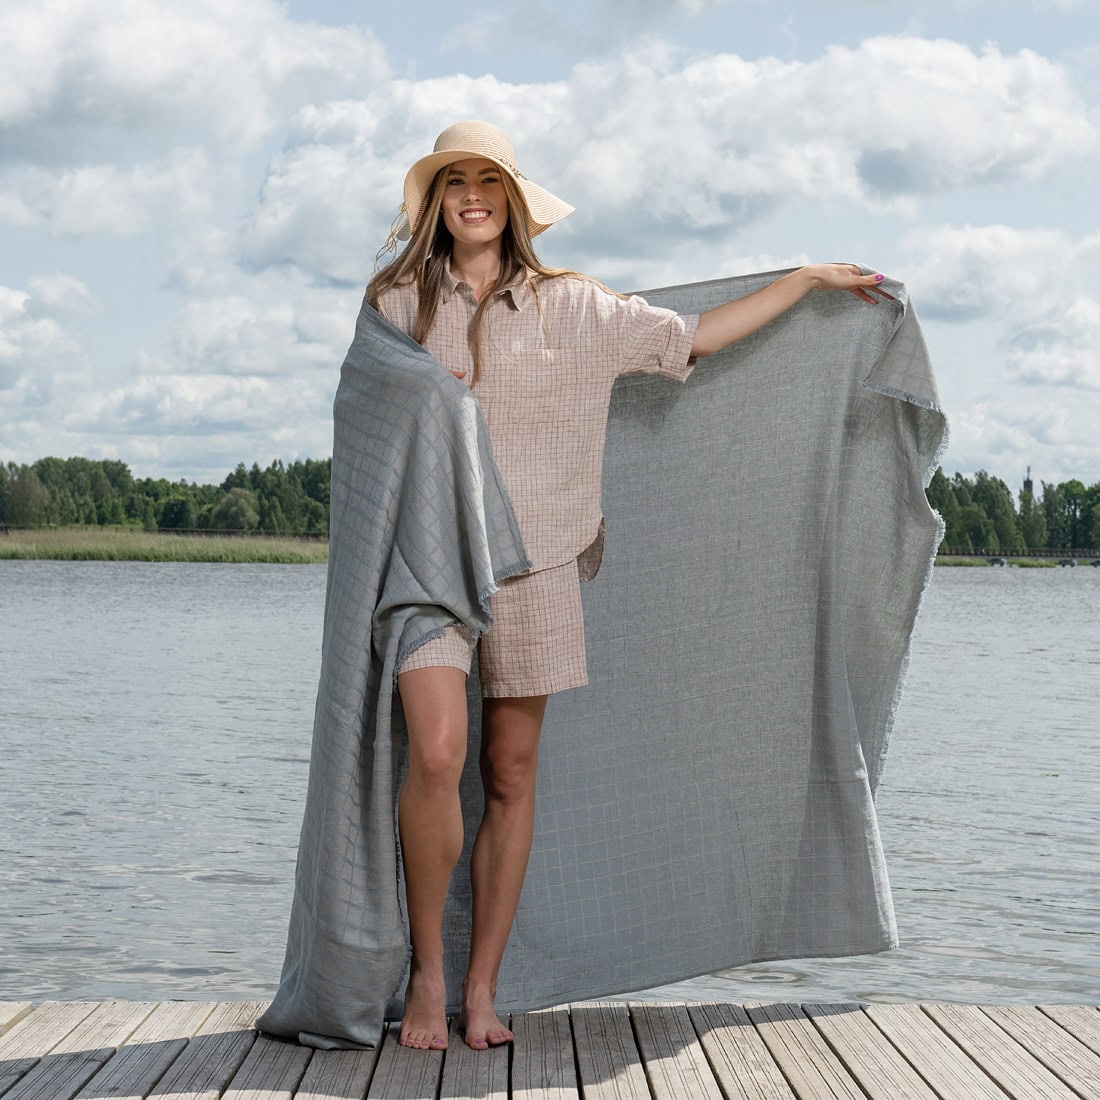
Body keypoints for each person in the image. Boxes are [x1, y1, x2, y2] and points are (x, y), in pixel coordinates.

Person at [365, 119, 890, 1052]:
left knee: (509, 770)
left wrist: (806, 281)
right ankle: (427, 974)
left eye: (489, 180)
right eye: (455, 182)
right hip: (427, 564)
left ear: (514, 199)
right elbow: (363, 429)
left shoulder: (577, 307)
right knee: (438, 755)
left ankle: (483, 988)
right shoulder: (394, 303)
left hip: (539, 561)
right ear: (436, 201)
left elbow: (697, 338)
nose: (473, 196)